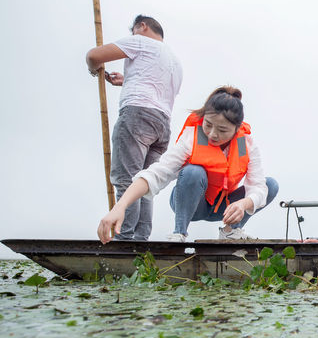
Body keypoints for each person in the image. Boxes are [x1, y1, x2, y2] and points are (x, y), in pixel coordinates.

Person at [97, 86, 278, 243]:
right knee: (193, 171)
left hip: (224, 209)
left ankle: (231, 232)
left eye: (222, 130)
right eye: (208, 125)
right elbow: (157, 173)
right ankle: (179, 233)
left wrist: (244, 204)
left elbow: (258, 188)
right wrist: (119, 207)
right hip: (191, 204)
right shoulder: (192, 138)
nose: (213, 134)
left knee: (270, 185)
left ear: (237, 129)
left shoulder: (247, 144)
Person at [86, 15, 183, 240]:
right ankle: (140, 241)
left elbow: (93, 56)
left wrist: (95, 68)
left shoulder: (141, 41)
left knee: (128, 180)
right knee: (145, 183)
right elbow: (153, 85)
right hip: (161, 123)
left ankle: (124, 240)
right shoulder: (174, 61)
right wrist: (126, 80)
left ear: (142, 26)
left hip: (137, 115)